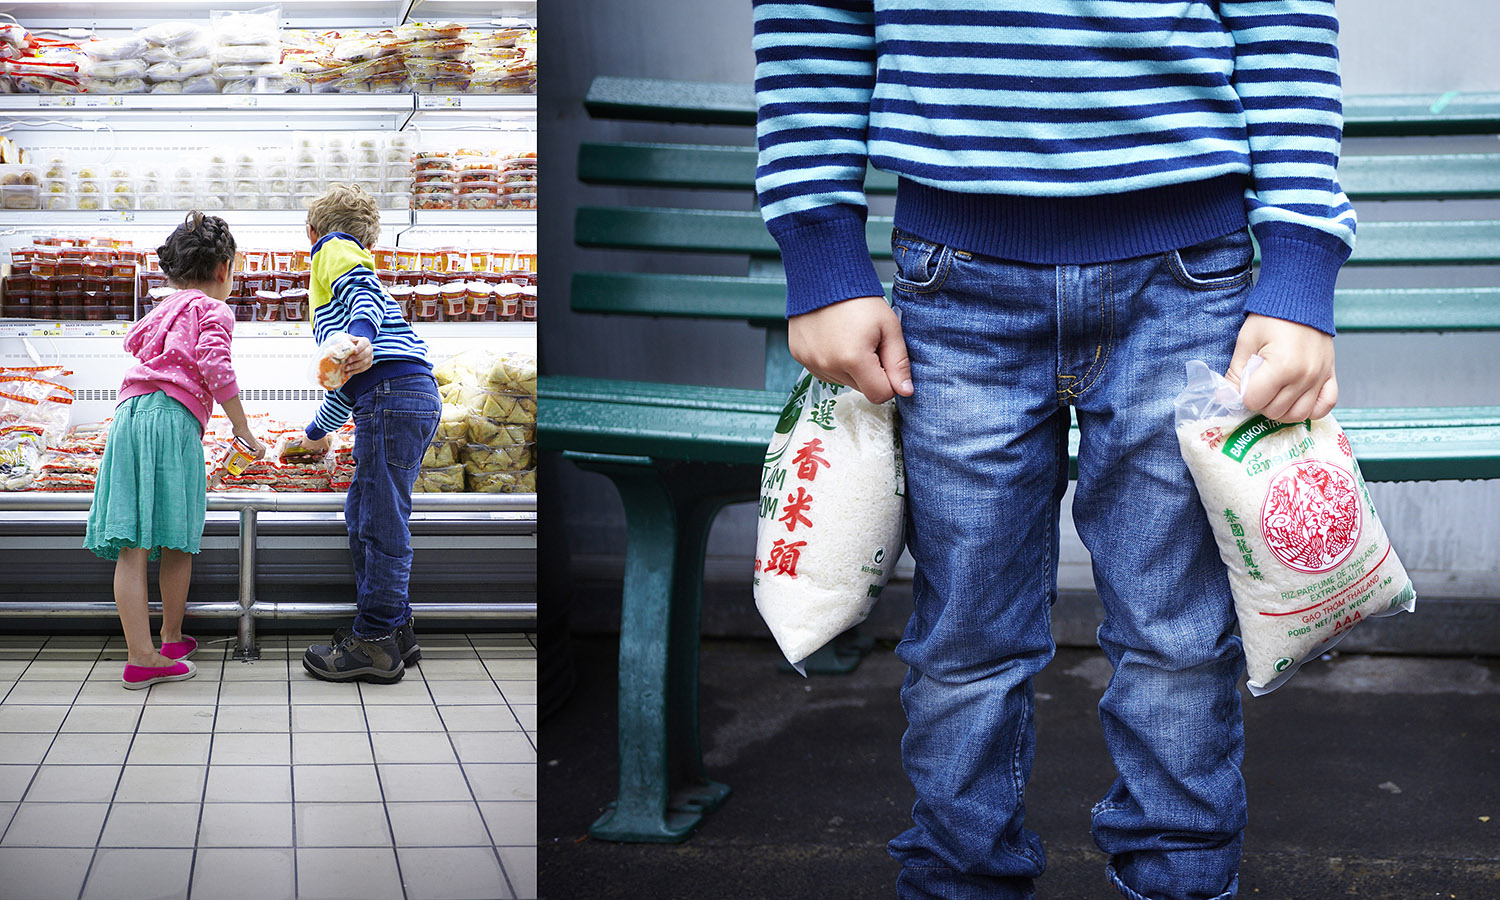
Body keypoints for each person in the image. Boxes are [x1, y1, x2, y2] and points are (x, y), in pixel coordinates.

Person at [753, 2, 1354, 898]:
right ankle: (962, 882)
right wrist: (821, 251)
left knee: (1179, 632)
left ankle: (1182, 882)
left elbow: (1284, 20)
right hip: (956, 281)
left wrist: (1302, 264)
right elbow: (813, 16)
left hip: (1187, 276)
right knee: (965, 632)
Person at [85, 211, 267, 690]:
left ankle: (161, 644)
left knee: (133, 545)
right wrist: (243, 427)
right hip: (171, 421)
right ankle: (151, 651)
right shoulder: (213, 309)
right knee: (177, 538)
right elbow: (215, 365)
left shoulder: (162, 308)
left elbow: (135, 343)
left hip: (129, 417)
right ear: (225, 268)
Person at [297, 184, 439, 685]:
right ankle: (397, 629)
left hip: (394, 397)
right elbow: (350, 388)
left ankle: (374, 639)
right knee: (365, 513)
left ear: (312, 233)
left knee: (381, 522)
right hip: (401, 395)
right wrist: (314, 434)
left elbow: (364, 296)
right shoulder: (347, 272)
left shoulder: (331, 250)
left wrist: (360, 335)